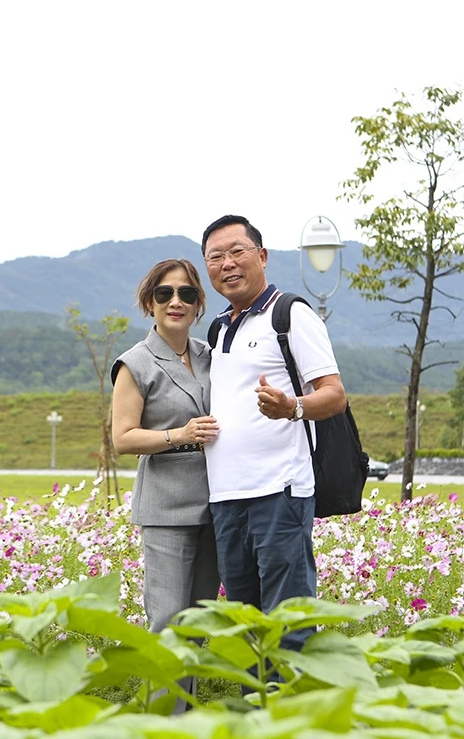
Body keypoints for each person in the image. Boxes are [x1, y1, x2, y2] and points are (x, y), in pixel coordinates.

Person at [200, 214, 347, 655]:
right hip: (227, 496)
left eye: (237, 251)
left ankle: (292, 716)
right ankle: (255, 716)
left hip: (279, 492)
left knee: (288, 619)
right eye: (215, 256)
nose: (227, 263)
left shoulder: (291, 315)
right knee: (245, 622)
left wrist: (292, 407)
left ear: (262, 256)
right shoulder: (218, 327)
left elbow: (334, 395)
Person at [110, 258, 220, 708]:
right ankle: (161, 723)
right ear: (149, 302)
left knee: (197, 624)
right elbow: (122, 438)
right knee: (168, 621)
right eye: (165, 294)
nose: (176, 302)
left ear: (198, 304)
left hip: (215, 505)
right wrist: (180, 435)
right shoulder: (134, 363)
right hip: (167, 509)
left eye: (187, 294)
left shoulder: (212, 356)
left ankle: (185, 719)